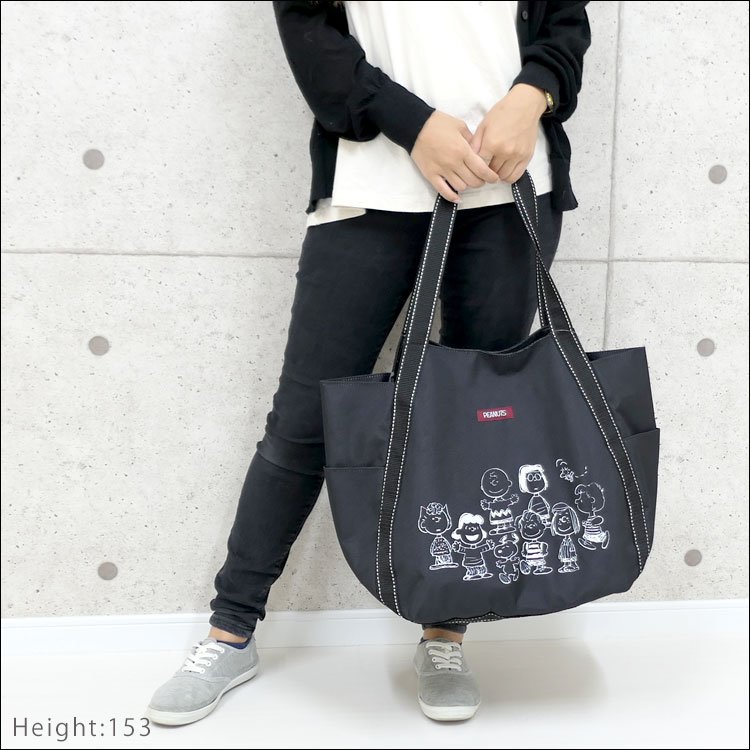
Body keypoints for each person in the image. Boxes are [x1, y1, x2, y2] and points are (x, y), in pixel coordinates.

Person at [147, 0, 590, 725]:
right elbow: (308, 30)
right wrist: (414, 125)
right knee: (305, 421)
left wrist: (529, 95)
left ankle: (445, 635)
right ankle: (231, 631)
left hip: (509, 186)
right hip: (371, 184)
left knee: (473, 430)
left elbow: (565, 23)